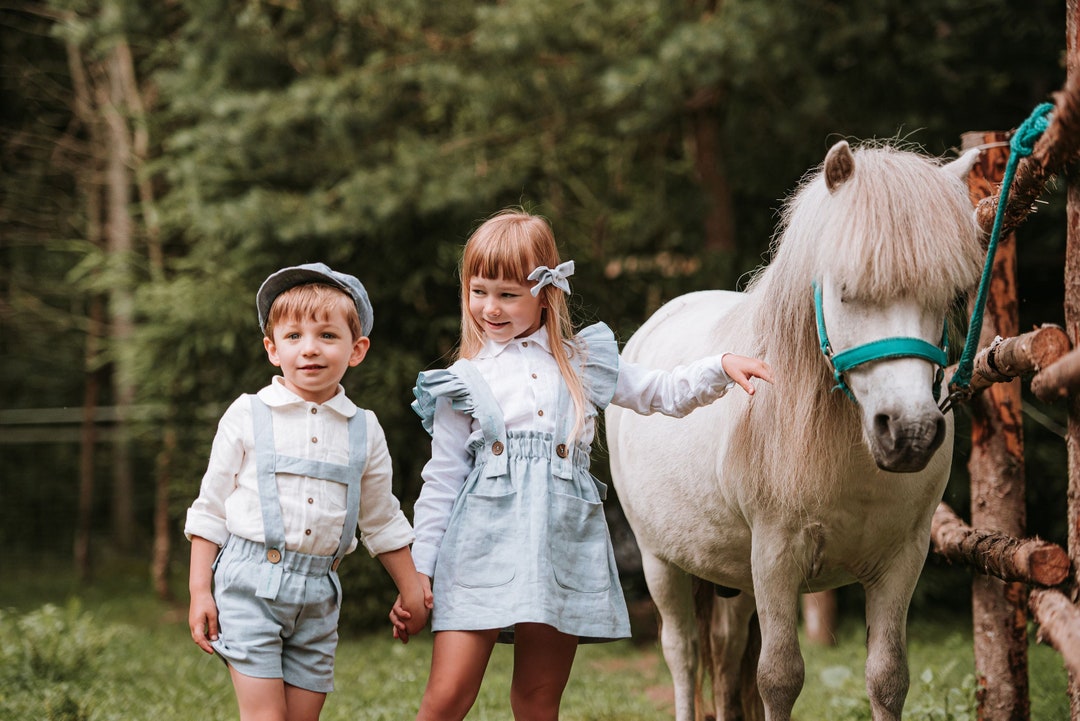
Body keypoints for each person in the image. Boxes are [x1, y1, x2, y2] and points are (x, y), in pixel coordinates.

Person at [390, 209, 773, 721]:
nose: (490, 308)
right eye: (479, 292)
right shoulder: (464, 381)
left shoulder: (581, 363)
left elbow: (661, 391)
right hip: (478, 552)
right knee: (446, 698)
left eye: (507, 294)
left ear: (546, 293)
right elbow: (441, 483)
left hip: (560, 549)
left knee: (537, 702)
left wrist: (720, 366)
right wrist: (420, 572)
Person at [186, 263, 428, 721]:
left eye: (327, 336)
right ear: (272, 348)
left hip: (320, 596)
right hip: (249, 585)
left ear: (356, 350)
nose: (310, 349)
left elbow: (380, 518)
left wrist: (412, 590)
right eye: (294, 336)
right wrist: (201, 590)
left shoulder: (365, 429)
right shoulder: (247, 414)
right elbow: (210, 510)